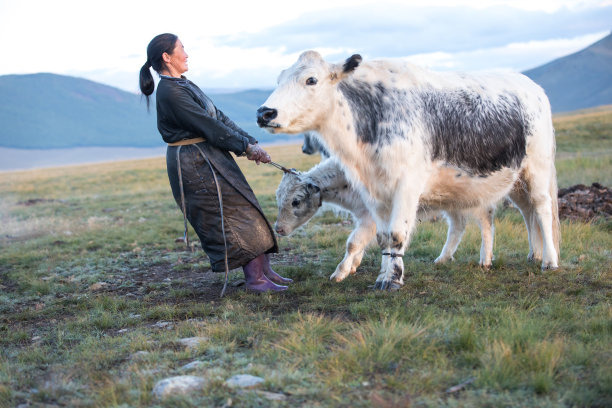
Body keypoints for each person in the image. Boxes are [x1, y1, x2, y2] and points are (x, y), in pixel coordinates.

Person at [139, 33, 291, 293]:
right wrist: (246, 148)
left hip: (210, 155)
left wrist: (250, 142)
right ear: (167, 57)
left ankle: (264, 271)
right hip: (194, 163)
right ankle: (254, 280)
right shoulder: (170, 92)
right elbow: (209, 126)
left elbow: (218, 116)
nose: (186, 54)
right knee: (232, 215)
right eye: (182, 49)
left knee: (247, 208)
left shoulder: (184, 84)